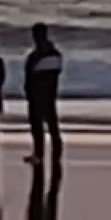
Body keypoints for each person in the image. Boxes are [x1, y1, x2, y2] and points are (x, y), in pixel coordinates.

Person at [23, 24, 64, 166]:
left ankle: (40, 153)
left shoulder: (36, 56)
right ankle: (55, 152)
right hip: (48, 92)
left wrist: (29, 90)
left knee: (38, 125)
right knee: (51, 124)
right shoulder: (55, 54)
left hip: (38, 93)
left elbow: (31, 76)